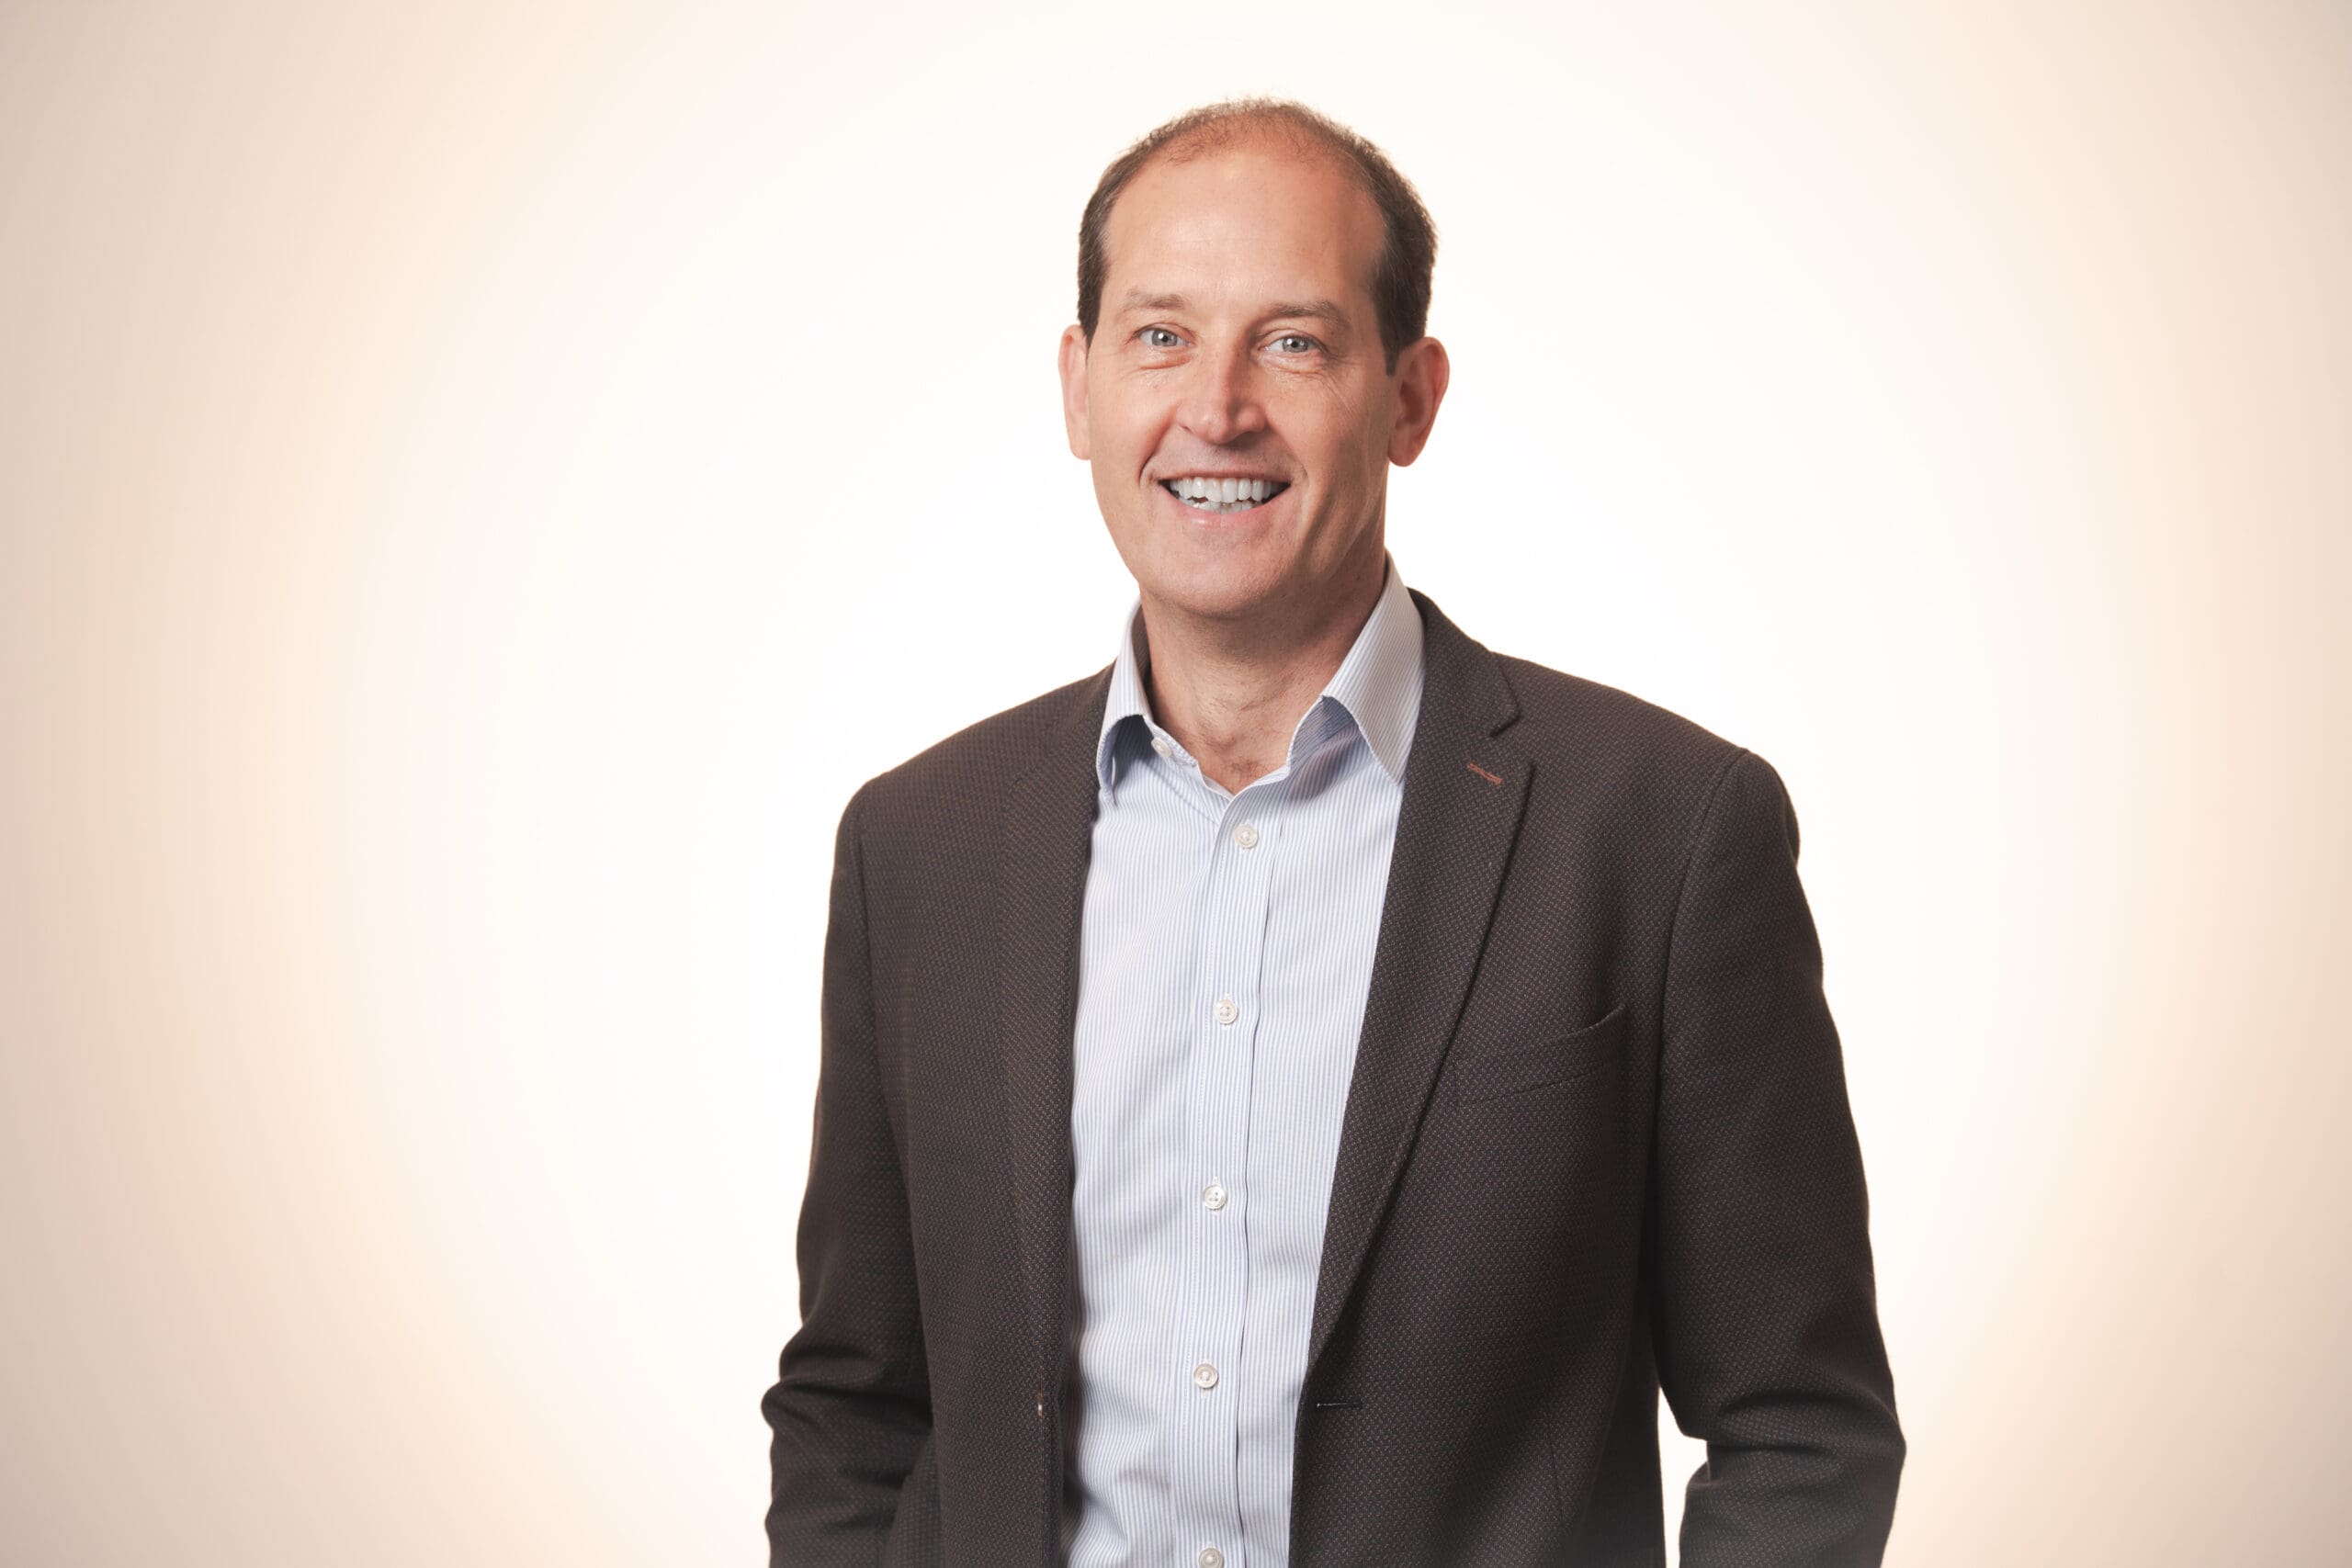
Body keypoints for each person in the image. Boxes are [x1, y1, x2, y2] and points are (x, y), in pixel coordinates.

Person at [762, 97, 1904, 1567]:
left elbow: (1798, 1426)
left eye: (1292, 341)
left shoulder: (1663, 833)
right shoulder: (918, 848)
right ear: (1078, 388)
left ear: (1410, 396)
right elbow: (858, 1405)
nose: (1217, 408)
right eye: (1159, 336)